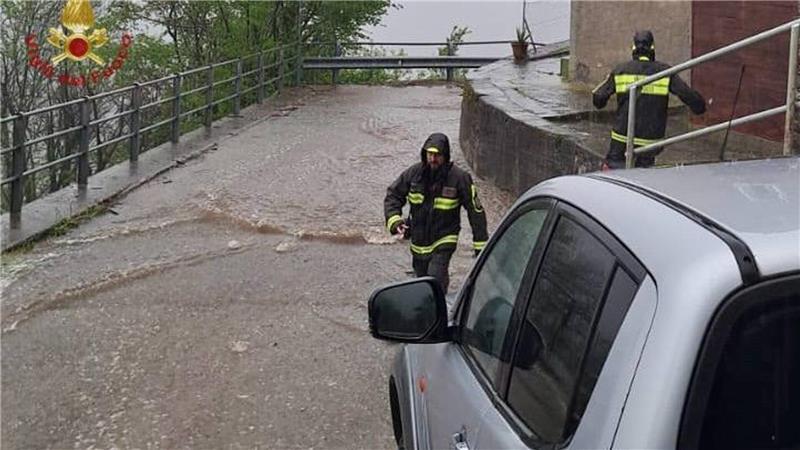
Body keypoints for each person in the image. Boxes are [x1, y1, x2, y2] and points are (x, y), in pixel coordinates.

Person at [384, 133, 488, 294]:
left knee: (435, 280)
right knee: (421, 283)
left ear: (445, 156)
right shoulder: (413, 174)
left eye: (437, 155)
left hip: (444, 238)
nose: (432, 159)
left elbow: (476, 212)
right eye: (429, 154)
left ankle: (441, 310)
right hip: (418, 241)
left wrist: (480, 247)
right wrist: (395, 220)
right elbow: (393, 195)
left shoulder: (459, 178)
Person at [593, 30, 707, 169]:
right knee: (643, 173)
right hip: (650, 141)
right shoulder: (664, 72)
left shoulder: (621, 70)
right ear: (652, 48)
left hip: (622, 137)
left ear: (634, 48)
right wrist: (700, 107)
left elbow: (598, 98)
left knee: (616, 172)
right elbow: (689, 96)